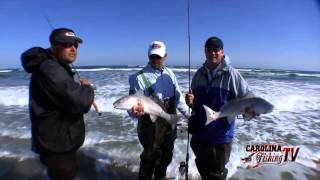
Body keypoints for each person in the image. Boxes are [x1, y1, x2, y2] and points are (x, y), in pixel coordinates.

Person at [21, 28, 94, 180]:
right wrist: (87, 88)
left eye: (75, 44)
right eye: (67, 44)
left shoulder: (55, 66)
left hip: (59, 140)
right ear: (54, 46)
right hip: (57, 144)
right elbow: (81, 102)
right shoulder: (50, 69)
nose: (73, 48)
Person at [185, 36, 256, 180]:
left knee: (216, 175)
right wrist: (190, 101)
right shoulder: (198, 75)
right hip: (199, 134)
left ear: (222, 52)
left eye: (216, 50)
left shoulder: (232, 75)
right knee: (203, 169)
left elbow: (248, 96)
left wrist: (250, 108)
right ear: (205, 52)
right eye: (209, 50)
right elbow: (194, 103)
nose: (213, 53)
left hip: (220, 138)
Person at [129, 41, 190, 180]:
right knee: (149, 158)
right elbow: (131, 105)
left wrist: (189, 116)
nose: (155, 60)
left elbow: (179, 99)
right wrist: (134, 112)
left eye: (159, 57)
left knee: (166, 156)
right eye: (152, 57)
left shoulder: (170, 74)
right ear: (148, 56)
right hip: (149, 126)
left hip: (169, 123)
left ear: (165, 56)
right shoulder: (139, 77)